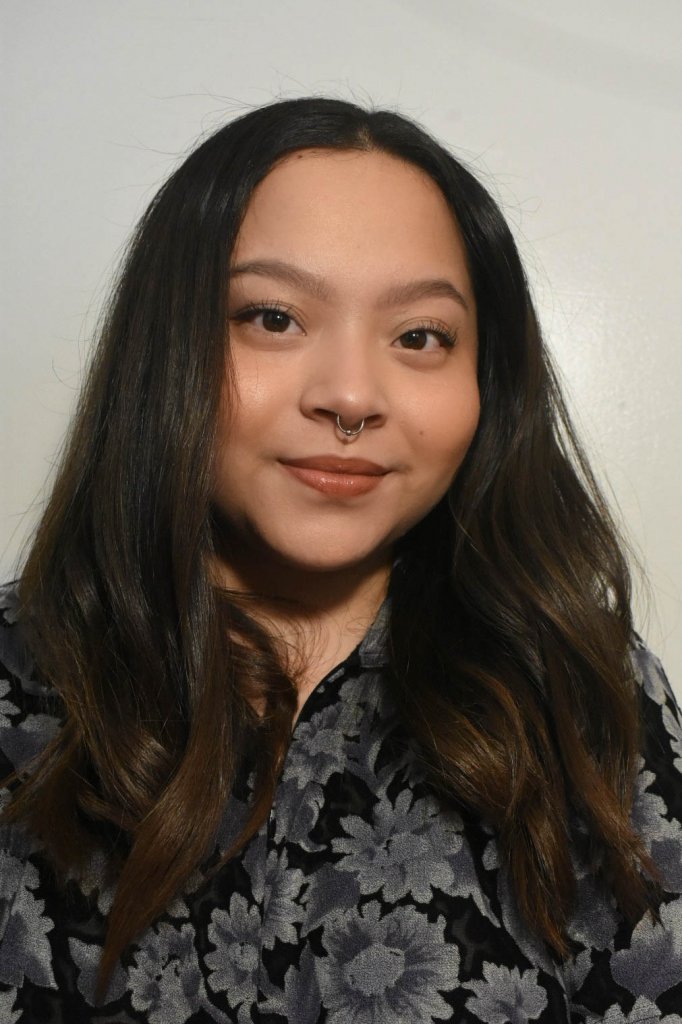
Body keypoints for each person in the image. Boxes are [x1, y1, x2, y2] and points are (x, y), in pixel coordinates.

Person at [0, 97, 680, 1024]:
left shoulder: (579, 682)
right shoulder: (18, 680)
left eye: (420, 337)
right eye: (273, 317)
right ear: (167, 348)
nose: (352, 395)